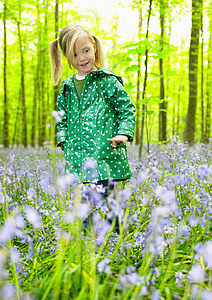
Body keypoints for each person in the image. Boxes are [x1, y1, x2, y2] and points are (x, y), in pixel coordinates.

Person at [49, 24, 136, 231]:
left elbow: (126, 109)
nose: (82, 58)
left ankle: (116, 241)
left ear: (94, 47)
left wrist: (124, 132)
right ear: (67, 57)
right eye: (75, 54)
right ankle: (90, 245)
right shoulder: (67, 87)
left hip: (103, 152)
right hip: (77, 155)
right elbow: (62, 116)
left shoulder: (106, 80)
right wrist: (63, 139)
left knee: (105, 199)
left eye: (85, 50)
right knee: (82, 203)